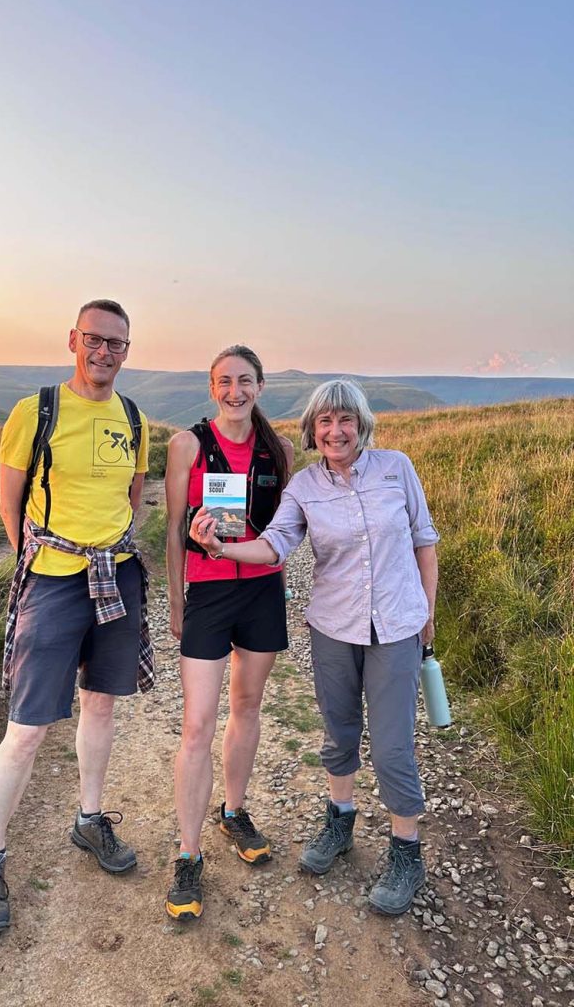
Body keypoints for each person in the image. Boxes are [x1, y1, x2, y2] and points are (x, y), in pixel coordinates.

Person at [190, 378, 439, 916]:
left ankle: (406, 851)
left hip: (396, 625)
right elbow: (276, 543)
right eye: (324, 422)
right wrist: (220, 544)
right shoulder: (304, 486)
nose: (335, 430)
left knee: (393, 744)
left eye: (345, 420)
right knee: (339, 731)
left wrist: (428, 612)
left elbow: (424, 539)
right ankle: (339, 821)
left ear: (361, 424)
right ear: (312, 430)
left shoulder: (397, 468)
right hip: (333, 627)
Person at [0, 299, 153, 932]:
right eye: (95, 340)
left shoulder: (133, 416)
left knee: (101, 704)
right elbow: (9, 500)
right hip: (52, 579)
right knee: (27, 727)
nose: (105, 352)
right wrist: (36, 565)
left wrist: (113, 547)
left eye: (117, 344)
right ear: (74, 339)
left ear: (128, 351)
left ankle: (89, 820)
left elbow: (133, 498)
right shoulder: (36, 411)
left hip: (116, 572)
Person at [164, 345, 294, 921]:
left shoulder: (279, 449)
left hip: (262, 591)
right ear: (212, 386)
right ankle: (188, 855)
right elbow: (172, 529)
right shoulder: (188, 445)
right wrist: (175, 600)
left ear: (261, 386)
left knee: (247, 707)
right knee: (197, 724)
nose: (234, 391)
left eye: (244, 381)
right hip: (209, 593)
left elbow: (287, 527)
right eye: (224, 382)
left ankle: (233, 812)